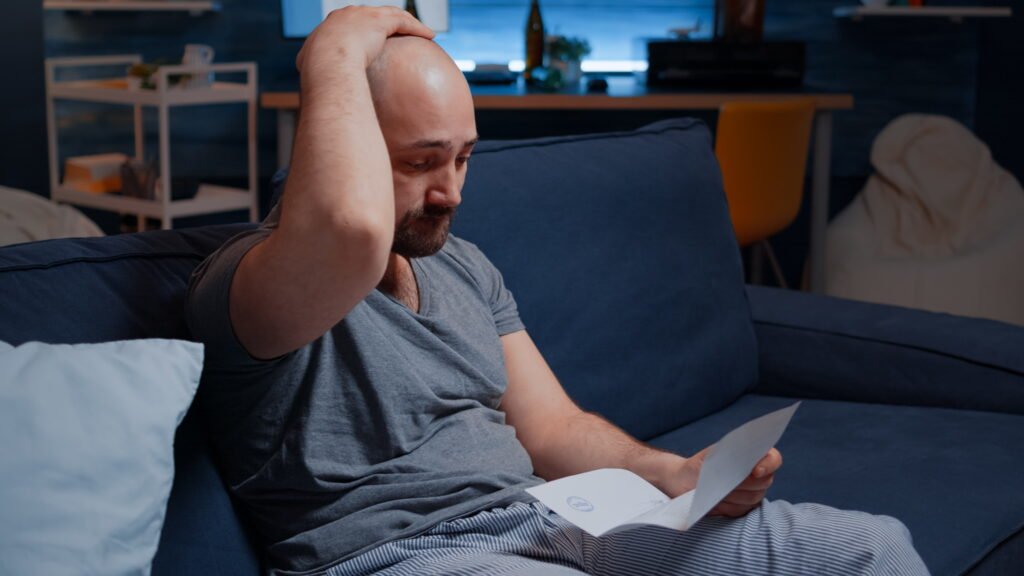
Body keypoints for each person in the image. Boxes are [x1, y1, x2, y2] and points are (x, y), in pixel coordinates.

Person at [187, 6, 930, 576]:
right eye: (419, 162)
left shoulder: (465, 266)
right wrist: (335, 47)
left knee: (873, 549)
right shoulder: (249, 285)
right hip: (398, 556)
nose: (451, 192)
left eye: (464, 158)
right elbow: (349, 230)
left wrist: (675, 475)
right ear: (339, 145)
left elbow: (553, 430)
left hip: (549, 517)